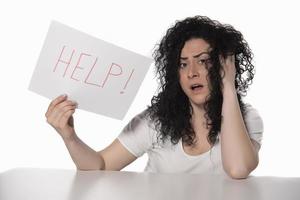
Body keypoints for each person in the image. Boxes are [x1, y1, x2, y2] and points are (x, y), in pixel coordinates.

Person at [45, 16, 263, 179]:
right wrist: (70, 137)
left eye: (203, 61)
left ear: (224, 66)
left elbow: (238, 169)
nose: (192, 72)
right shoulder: (156, 121)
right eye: (182, 64)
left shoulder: (247, 118)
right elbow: (100, 167)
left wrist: (228, 86)